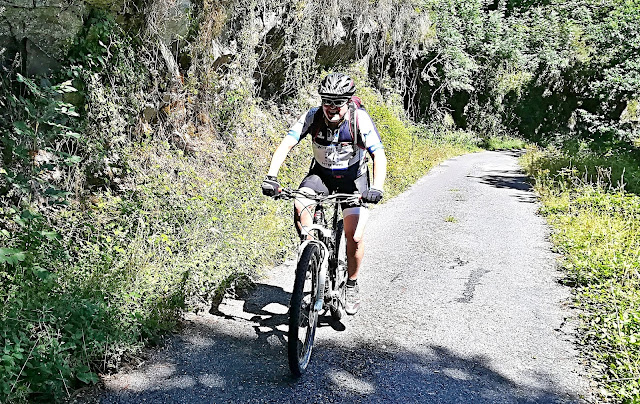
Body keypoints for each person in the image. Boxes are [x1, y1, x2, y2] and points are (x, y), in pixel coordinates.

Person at [261, 72, 387, 315]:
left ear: (348, 102)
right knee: (300, 204)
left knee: (355, 235)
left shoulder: (358, 119)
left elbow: (378, 155)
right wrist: (271, 177)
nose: (332, 108)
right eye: (327, 101)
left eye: (338, 102)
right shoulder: (313, 116)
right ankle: (312, 256)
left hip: (354, 179)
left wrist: (377, 187)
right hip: (321, 175)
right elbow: (286, 143)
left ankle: (351, 284)